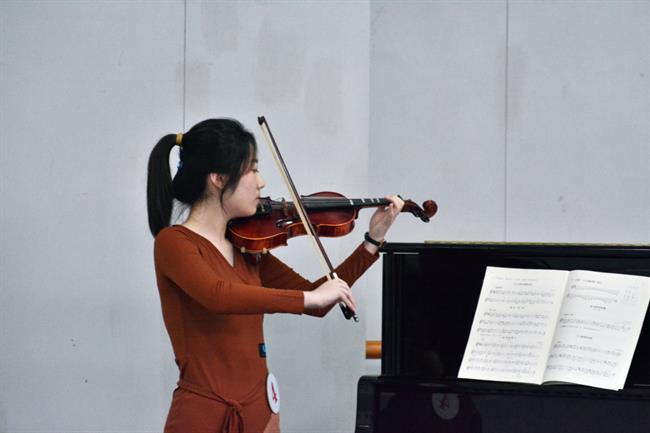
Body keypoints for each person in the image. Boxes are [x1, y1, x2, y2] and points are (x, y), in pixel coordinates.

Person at [146, 118, 403, 433]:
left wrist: (372, 241)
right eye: (252, 170)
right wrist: (308, 298)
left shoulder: (246, 248)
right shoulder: (174, 243)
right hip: (202, 417)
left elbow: (319, 299)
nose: (261, 182)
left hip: (260, 413)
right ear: (218, 178)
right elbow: (218, 295)